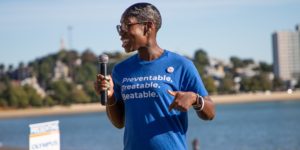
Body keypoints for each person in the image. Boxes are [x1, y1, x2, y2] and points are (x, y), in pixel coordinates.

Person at [95, 2, 215, 150]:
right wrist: (111, 97)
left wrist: (195, 99)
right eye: (120, 27)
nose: (121, 32)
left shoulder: (181, 65)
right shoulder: (121, 70)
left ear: (148, 26)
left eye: (127, 25)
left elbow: (210, 113)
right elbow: (119, 123)